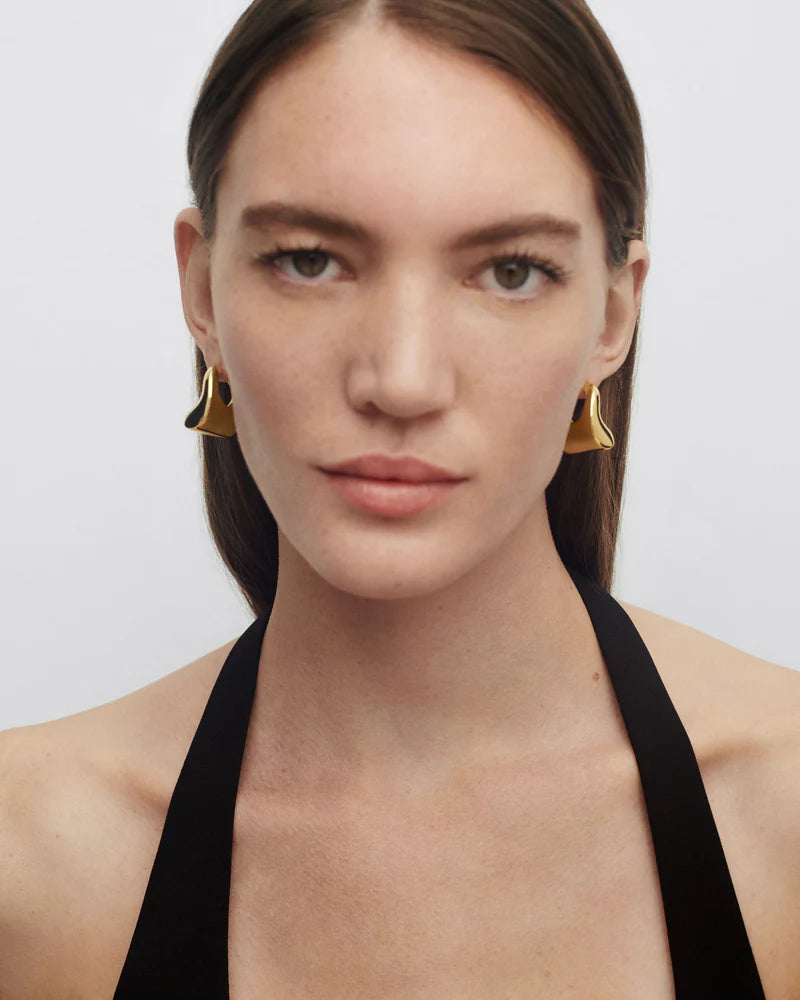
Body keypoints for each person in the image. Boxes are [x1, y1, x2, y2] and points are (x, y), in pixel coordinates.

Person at [1, 0, 798, 997]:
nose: (404, 380)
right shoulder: (26, 861)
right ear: (201, 291)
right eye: (310, 260)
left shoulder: (785, 812)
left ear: (612, 314)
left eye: (510, 271)